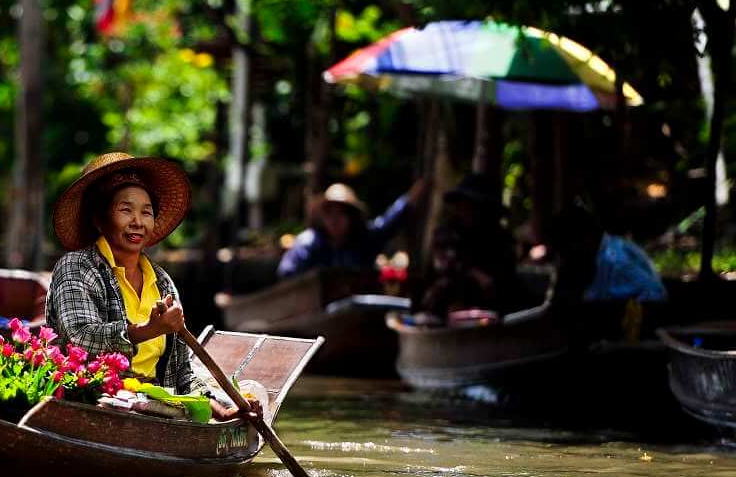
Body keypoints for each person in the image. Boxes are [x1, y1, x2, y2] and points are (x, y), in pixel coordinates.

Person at [46, 151, 256, 421]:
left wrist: (223, 410)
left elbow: (182, 373)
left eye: (146, 212)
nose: (137, 221)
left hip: (154, 405)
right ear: (99, 219)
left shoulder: (163, 282)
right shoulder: (77, 266)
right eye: (125, 210)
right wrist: (148, 330)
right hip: (94, 400)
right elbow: (80, 337)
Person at [416, 172, 521, 320]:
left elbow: (505, 274)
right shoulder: (446, 234)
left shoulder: (500, 238)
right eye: (464, 204)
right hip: (447, 307)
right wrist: (474, 275)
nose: (468, 211)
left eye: (475, 206)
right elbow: (445, 267)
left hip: (492, 311)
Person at [277, 178, 427, 279]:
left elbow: (389, 223)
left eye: (341, 213)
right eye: (329, 214)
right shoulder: (309, 243)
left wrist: (410, 200)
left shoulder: (364, 240)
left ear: (351, 217)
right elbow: (287, 273)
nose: (334, 220)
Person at [550, 203, 667, 304]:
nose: (565, 256)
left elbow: (655, 294)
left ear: (585, 239)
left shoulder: (616, 259)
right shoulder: (602, 253)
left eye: (566, 249)